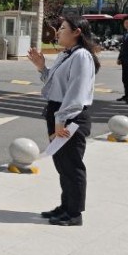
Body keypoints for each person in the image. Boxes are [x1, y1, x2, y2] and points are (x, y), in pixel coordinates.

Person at [27, 15, 99, 226]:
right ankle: (66, 206)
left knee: (72, 165)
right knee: (62, 164)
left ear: (77, 32)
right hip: (59, 113)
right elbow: (55, 84)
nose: (57, 31)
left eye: (63, 28)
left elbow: (76, 92)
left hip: (70, 116)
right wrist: (42, 67)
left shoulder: (82, 56)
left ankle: (74, 213)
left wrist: (61, 120)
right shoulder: (66, 54)